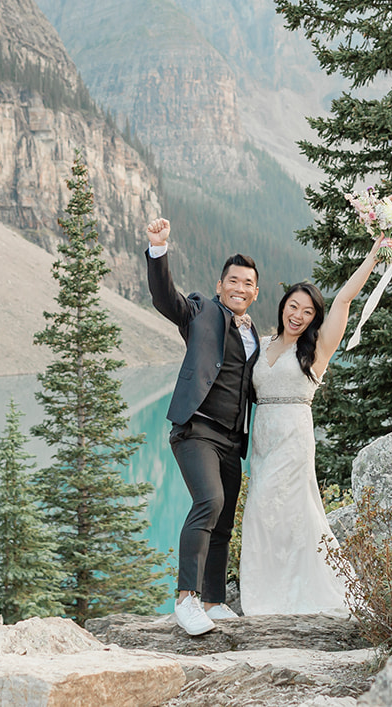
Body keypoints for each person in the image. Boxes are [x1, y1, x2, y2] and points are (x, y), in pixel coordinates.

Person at [239, 239, 386, 616]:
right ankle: (266, 595)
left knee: (288, 509)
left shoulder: (316, 349)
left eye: (307, 311)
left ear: (313, 317)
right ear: (282, 306)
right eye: (293, 306)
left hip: (294, 436)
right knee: (261, 511)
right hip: (263, 439)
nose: (298, 315)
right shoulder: (263, 343)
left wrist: (374, 255)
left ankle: (302, 595)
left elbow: (344, 301)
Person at [145, 216, 261, 636]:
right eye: (233, 280)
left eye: (247, 283)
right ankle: (186, 599)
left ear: (255, 291)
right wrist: (159, 250)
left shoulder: (254, 335)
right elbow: (165, 299)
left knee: (225, 518)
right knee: (208, 502)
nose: (239, 288)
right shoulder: (201, 312)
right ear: (219, 285)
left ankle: (214, 600)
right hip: (196, 430)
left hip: (231, 438)